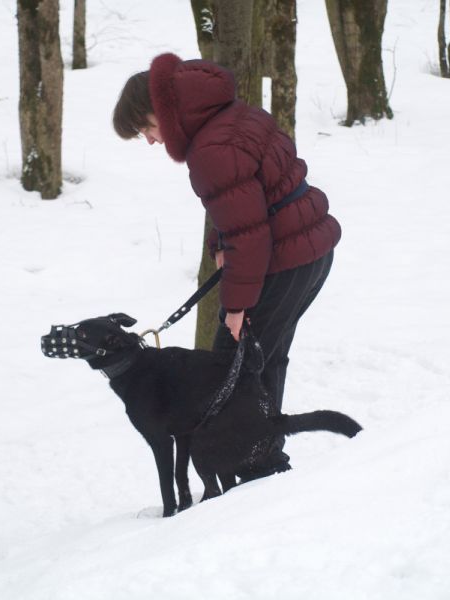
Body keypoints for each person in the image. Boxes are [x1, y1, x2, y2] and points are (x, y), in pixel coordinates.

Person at [112, 53, 341, 480]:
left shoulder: (211, 149)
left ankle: (257, 468)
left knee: (227, 370)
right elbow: (250, 200)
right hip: (309, 249)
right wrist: (220, 242)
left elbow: (250, 234)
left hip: (286, 257)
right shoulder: (231, 116)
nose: (150, 141)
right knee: (262, 359)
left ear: (158, 109)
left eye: (144, 129)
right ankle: (264, 459)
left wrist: (236, 307)